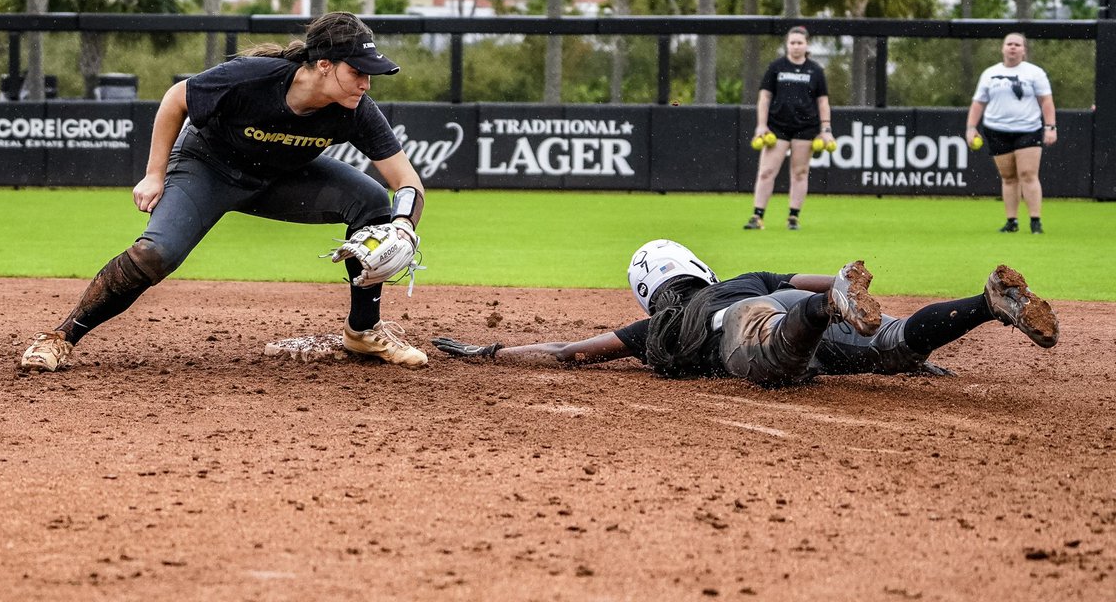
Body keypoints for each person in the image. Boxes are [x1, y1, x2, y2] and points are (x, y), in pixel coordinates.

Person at [20, 11, 429, 371]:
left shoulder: (356, 110)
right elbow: (175, 99)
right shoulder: (253, 77)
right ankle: (61, 337)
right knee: (154, 254)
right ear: (323, 64)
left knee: (373, 202)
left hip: (278, 178)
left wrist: (403, 227)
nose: (366, 83)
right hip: (208, 168)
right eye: (358, 71)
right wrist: (153, 174)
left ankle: (362, 330)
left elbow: (407, 181)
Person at [431, 240, 1059, 388]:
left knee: (769, 359)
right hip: (787, 301)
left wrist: (490, 352)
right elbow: (807, 274)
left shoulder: (655, 326)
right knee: (893, 345)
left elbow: (569, 353)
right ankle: (985, 304)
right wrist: (837, 287)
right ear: (694, 264)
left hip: (760, 322)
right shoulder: (739, 276)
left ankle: (825, 309)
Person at [965, 32, 1057, 234]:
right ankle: (1011, 221)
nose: (1013, 47)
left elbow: (1046, 101)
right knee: (1008, 177)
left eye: (1017, 44)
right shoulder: (990, 73)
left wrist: (1050, 127)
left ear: (1024, 50)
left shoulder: (1034, 73)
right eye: (1009, 44)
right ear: (1002, 48)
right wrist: (971, 128)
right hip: (996, 130)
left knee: (1028, 174)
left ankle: (1035, 221)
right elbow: (979, 103)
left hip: (1027, 128)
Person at [744, 26, 833, 231]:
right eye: (792, 42)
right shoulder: (776, 67)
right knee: (766, 171)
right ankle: (757, 216)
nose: (795, 46)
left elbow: (823, 102)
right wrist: (761, 125)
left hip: (806, 128)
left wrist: (826, 129)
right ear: (787, 44)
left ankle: (793, 217)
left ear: (806, 45)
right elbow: (764, 98)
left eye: (799, 42)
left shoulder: (816, 71)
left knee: (800, 173)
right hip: (778, 127)